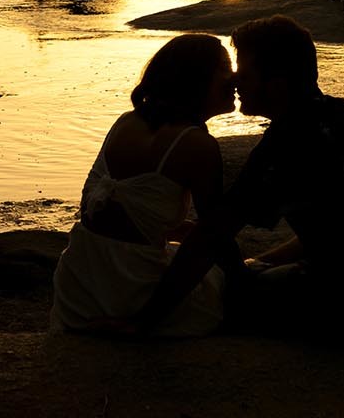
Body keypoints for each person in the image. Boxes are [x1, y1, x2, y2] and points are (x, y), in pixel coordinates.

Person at [134, 15, 344, 346]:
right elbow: (342, 226)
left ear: (276, 83)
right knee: (256, 275)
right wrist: (260, 261)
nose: (235, 83)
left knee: (220, 296)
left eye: (243, 74)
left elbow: (211, 236)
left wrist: (145, 322)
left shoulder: (289, 142)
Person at [50, 33, 239, 336]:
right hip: (128, 295)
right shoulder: (197, 145)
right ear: (196, 77)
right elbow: (211, 239)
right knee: (222, 286)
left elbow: (110, 211)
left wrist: (165, 227)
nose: (235, 78)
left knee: (180, 249)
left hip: (78, 289)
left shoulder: (126, 121)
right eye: (225, 68)